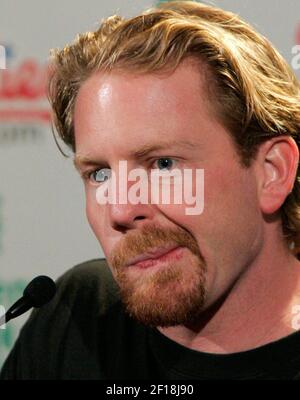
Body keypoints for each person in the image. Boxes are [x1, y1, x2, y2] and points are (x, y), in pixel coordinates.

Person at [1, 0, 300, 380]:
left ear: (272, 172)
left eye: (163, 165)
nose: (120, 210)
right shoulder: (78, 315)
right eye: (100, 174)